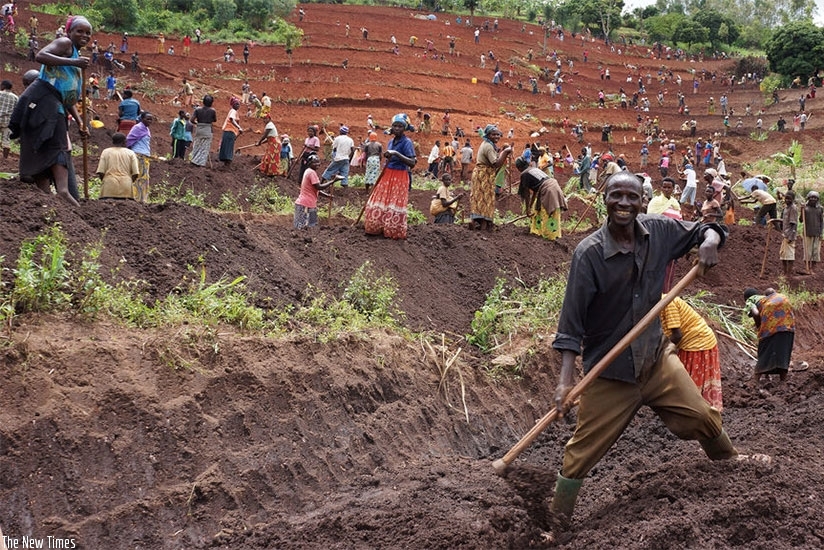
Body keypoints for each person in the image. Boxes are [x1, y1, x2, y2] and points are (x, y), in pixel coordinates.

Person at [548, 171, 737, 527]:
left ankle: (733, 467)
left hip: (656, 359)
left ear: (641, 200)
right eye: (616, 195)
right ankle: (556, 524)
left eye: (631, 197)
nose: (623, 203)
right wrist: (564, 382)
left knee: (702, 417)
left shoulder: (659, 232)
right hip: (612, 372)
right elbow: (570, 327)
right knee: (580, 455)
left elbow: (704, 230)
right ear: (603, 199)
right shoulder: (588, 255)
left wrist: (711, 239)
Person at [10, 15, 93, 207]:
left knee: (45, 144)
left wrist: (80, 122)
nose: (84, 35)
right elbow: (41, 56)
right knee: (57, 145)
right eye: (79, 31)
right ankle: (62, 192)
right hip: (42, 99)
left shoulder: (76, 58)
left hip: (54, 102)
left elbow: (67, 97)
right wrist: (74, 63)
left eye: (88, 32)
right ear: (69, 32)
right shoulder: (65, 44)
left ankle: (46, 197)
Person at [660, 296, 723, 410]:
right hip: (690, 343)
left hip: (698, 343)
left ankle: (698, 411)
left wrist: (662, 352)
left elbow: (677, 335)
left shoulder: (667, 303)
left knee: (690, 383)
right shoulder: (656, 305)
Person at [363, 113, 417, 239]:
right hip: (387, 174)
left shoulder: (407, 142)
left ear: (404, 129)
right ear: (392, 127)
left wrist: (396, 154)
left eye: (400, 126)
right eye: (395, 126)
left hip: (399, 175)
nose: (397, 128)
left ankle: (392, 230)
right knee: (379, 201)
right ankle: (377, 227)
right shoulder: (391, 142)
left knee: (393, 203)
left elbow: (413, 163)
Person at [744, 288, 794, 382]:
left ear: (746, 298)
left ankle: (755, 381)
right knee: (783, 353)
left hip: (771, 326)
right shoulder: (766, 298)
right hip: (787, 325)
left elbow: (755, 313)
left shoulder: (750, 301)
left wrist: (759, 327)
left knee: (764, 351)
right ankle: (782, 381)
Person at [470, 124, 512, 231]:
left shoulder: (489, 144)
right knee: (483, 199)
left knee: (480, 198)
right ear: (488, 135)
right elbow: (495, 163)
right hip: (483, 175)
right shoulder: (488, 146)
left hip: (484, 174)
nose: (497, 136)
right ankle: (482, 226)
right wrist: (505, 152)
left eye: (498, 134)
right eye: (494, 134)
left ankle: (477, 223)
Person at [515, 157, 567, 240]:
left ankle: (548, 237)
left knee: (546, 212)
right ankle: (542, 233)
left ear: (519, 168)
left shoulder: (524, 174)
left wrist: (528, 209)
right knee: (539, 210)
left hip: (547, 189)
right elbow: (535, 192)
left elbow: (527, 194)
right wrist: (531, 206)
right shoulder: (533, 169)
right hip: (554, 185)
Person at [294, 154, 334, 229]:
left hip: (306, 204)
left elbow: (315, 189)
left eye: (318, 162)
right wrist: (332, 182)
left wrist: (327, 196)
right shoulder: (311, 173)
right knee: (305, 228)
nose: (317, 164)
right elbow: (319, 187)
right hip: (306, 204)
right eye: (314, 162)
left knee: (306, 228)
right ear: (309, 164)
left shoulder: (308, 171)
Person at [96, 132, 139, 199]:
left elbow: (101, 172)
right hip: (126, 187)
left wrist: (105, 181)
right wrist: (130, 181)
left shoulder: (106, 152)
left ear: (113, 142)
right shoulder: (131, 153)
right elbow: (135, 173)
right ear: (124, 142)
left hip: (109, 187)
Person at [125, 111, 153, 202]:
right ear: (141, 119)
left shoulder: (146, 128)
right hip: (138, 155)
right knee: (139, 177)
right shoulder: (138, 127)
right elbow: (129, 140)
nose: (150, 121)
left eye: (151, 119)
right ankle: (136, 198)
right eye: (147, 119)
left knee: (144, 178)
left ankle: (141, 198)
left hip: (144, 156)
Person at [190, 94, 217, 167]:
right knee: (204, 148)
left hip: (199, 129)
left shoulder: (197, 110)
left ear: (203, 102)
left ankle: (194, 160)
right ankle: (200, 163)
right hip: (208, 130)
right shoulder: (212, 111)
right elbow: (214, 120)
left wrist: (198, 124)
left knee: (197, 145)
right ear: (211, 103)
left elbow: (192, 120)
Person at [777, 190, 798, 278]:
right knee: (783, 255)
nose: (787, 200)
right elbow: (785, 220)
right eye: (786, 198)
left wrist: (791, 236)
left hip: (789, 235)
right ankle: (785, 272)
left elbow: (793, 223)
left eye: (789, 199)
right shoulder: (786, 208)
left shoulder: (793, 208)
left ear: (793, 199)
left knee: (789, 255)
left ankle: (788, 274)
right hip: (785, 234)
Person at [218, 97, 243, 167]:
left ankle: (226, 164)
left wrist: (238, 131)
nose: (238, 106)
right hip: (229, 131)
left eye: (239, 104)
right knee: (228, 148)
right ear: (233, 105)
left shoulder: (234, 112)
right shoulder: (233, 111)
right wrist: (239, 127)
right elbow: (231, 119)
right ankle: (227, 164)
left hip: (230, 132)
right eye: (237, 104)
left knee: (228, 147)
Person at [802, 191, 823, 274]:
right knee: (807, 252)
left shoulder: (820, 208)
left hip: (817, 233)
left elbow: (821, 221)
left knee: (815, 252)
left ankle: (812, 269)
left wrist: (821, 232)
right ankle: (806, 268)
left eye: (815, 198)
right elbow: (801, 220)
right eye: (811, 197)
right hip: (807, 232)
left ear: (817, 199)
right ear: (808, 198)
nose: (813, 199)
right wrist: (801, 210)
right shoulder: (805, 208)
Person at [0, 79, 18, 159]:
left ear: (3, 86)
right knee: (6, 140)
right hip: (7, 122)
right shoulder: (15, 98)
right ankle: (5, 159)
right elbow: (17, 110)